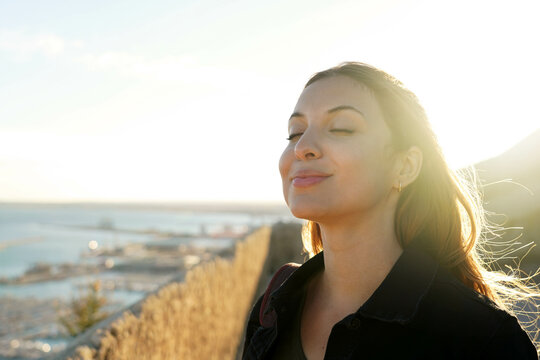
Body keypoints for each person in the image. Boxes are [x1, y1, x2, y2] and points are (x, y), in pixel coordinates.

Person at [242, 62, 539, 359]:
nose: (302, 147)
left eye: (341, 128)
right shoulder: (273, 311)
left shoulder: (482, 339)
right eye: (295, 133)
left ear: (405, 166)